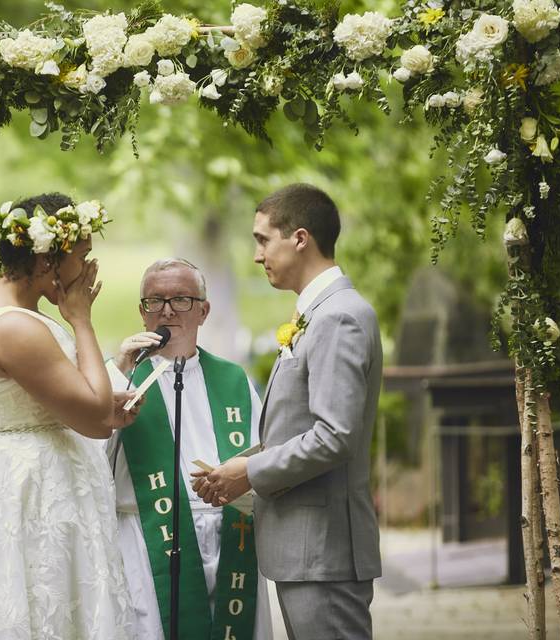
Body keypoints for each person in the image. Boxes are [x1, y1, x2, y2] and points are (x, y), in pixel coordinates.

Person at [0, 193, 136, 639]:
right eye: (83, 257)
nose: (88, 271)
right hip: (37, 491)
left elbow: (67, 400)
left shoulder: (2, 312)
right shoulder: (15, 328)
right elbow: (95, 420)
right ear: (49, 261)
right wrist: (81, 318)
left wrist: (104, 394)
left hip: (28, 478)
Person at [193, 184, 383, 639]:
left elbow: (335, 435)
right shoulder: (317, 314)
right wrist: (236, 470)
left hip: (325, 550)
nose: (257, 255)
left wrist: (251, 470)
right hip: (306, 551)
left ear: (300, 238)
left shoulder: (339, 317)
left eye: (263, 239)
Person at [107, 258, 272, 639]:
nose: (166, 310)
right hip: (149, 540)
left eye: (181, 299)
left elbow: (262, 453)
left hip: (230, 533)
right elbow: (88, 456)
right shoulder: (119, 375)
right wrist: (118, 371)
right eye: (155, 301)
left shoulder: (233, 379)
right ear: (142, 311)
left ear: (204, 310)